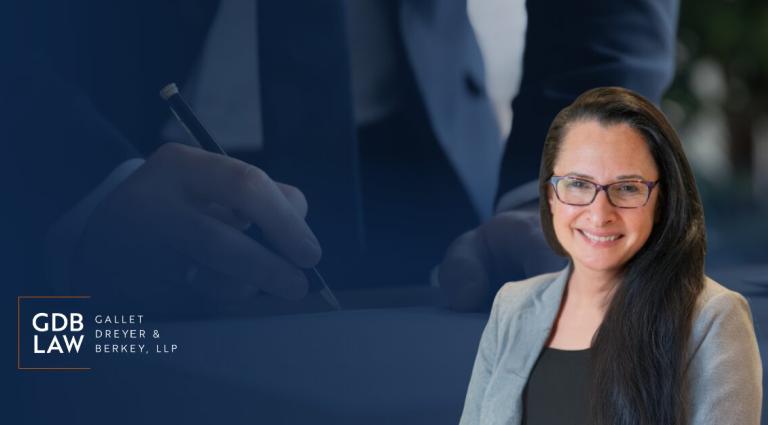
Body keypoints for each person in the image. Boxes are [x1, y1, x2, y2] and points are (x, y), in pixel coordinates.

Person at [459, 87, 763, 424]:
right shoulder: (512, 307)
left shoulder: (713, 318)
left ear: (661, 201)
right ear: (549, 196)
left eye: (628, 187)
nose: (599, 213)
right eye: (577, 184)